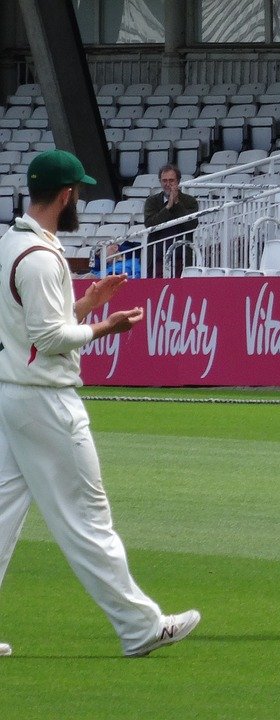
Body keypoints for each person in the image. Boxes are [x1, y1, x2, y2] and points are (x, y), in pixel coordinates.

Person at [0, 150, 200, 657]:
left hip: (14, 397)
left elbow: (33, 323)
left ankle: (138, 624)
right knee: (88, 517)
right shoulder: (41, 256)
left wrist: (87, 304)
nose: (81, 200)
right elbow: (47, 336)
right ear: (65, 194)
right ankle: (140, 627)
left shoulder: (13, 243)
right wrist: (103, 326)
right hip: (47, 400)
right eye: (79, 192)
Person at [142, 164, 199, 278]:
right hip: (157, 258)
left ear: (178, 181)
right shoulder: (152, 201)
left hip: (182, 257)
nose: (167, 184)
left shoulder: (189, 201)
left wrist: (177, 203)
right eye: (164, 181)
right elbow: (149, 224)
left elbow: (191, 225)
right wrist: (168, 207)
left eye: (171, 180)